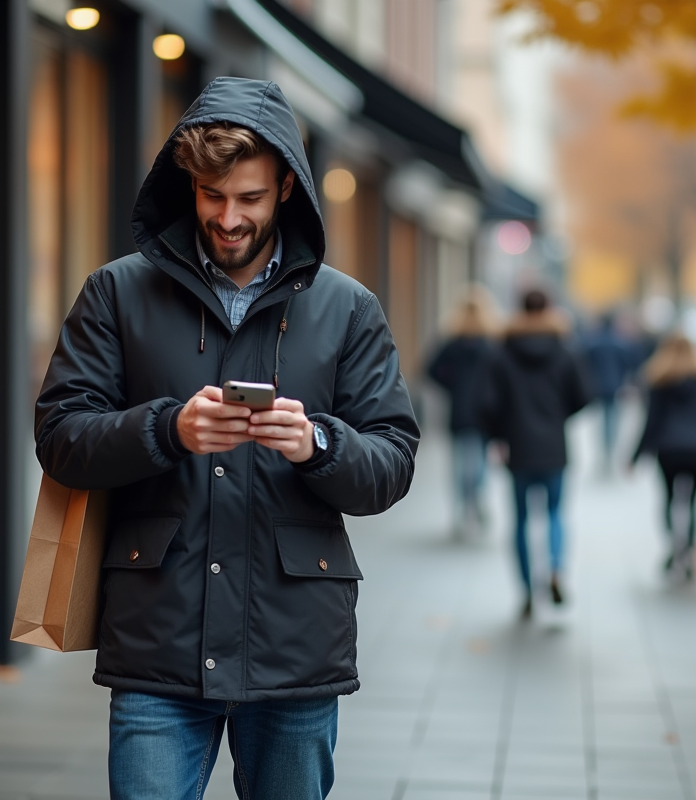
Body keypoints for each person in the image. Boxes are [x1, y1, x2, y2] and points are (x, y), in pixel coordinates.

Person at [34, 78, 419, 800]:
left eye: (250, 198)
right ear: (189, 184)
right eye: (212, 196)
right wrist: (167, 428)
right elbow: (60, 438)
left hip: (294, 647)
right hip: (158, 641)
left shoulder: (348, 308)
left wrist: (316, 444)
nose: (229, 218)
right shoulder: (116, 292)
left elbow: (392, 465)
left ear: (286, 188)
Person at [480, 288, 590, 617]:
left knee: (521, 521)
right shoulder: (564, 349)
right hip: (554, 446)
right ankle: (555, 567)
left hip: (518, 447)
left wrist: (498, 436)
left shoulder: (502, 351)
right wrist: (558, 417)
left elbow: (487, 402)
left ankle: (527, 590)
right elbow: (584, 395)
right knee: (555, 513)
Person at [631, 333, 696, 580]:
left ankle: (673, 545)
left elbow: (651, 422)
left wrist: (636, 456)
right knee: (694, 504)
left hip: (667, 449)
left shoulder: (659, 381)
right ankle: (688, 551)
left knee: (668, 500)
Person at [427, 286, 501, 539]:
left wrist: (452, 386)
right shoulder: (492, 344)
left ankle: (461, 511)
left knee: (459, 464)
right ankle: (475, 500)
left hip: (459, 410)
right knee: (479, 462)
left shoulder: (452, 343)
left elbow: (430, 370)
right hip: (485, 412)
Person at [583, 311, 636, 469]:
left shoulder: (593, 344)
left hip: (597, 387)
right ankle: (610, 449)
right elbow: (626, 366)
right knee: (613, 419)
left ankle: (603, 450)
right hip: (615, 387)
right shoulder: (620, 345)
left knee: (599, 421)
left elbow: (586, 365)